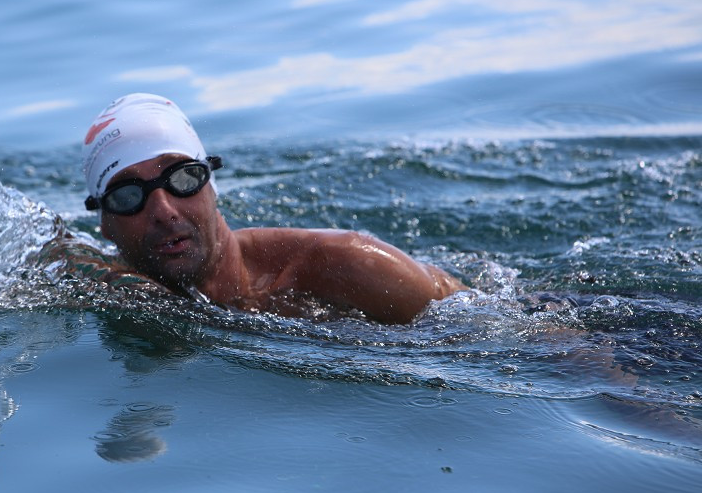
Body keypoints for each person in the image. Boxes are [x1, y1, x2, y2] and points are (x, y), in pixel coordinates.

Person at [79, 93, 466, 324]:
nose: (163, 210)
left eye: (182, 179)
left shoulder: (345, 263)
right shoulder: (107, 286)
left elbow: (502, 340)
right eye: (127, 196)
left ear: (212, 186)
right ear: (106, 225)